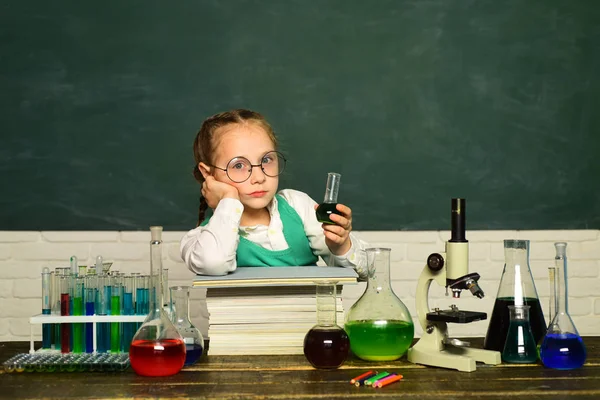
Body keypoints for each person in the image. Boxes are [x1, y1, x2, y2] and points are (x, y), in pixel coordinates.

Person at [179, 109, 368, 279]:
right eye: (238, 165)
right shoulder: (202, 238)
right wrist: (228, 198)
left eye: (266, 160)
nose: (259, 177)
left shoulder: (297, 207)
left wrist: (341, 246)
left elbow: (367, 270)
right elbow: (213, 264)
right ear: (208, 173)